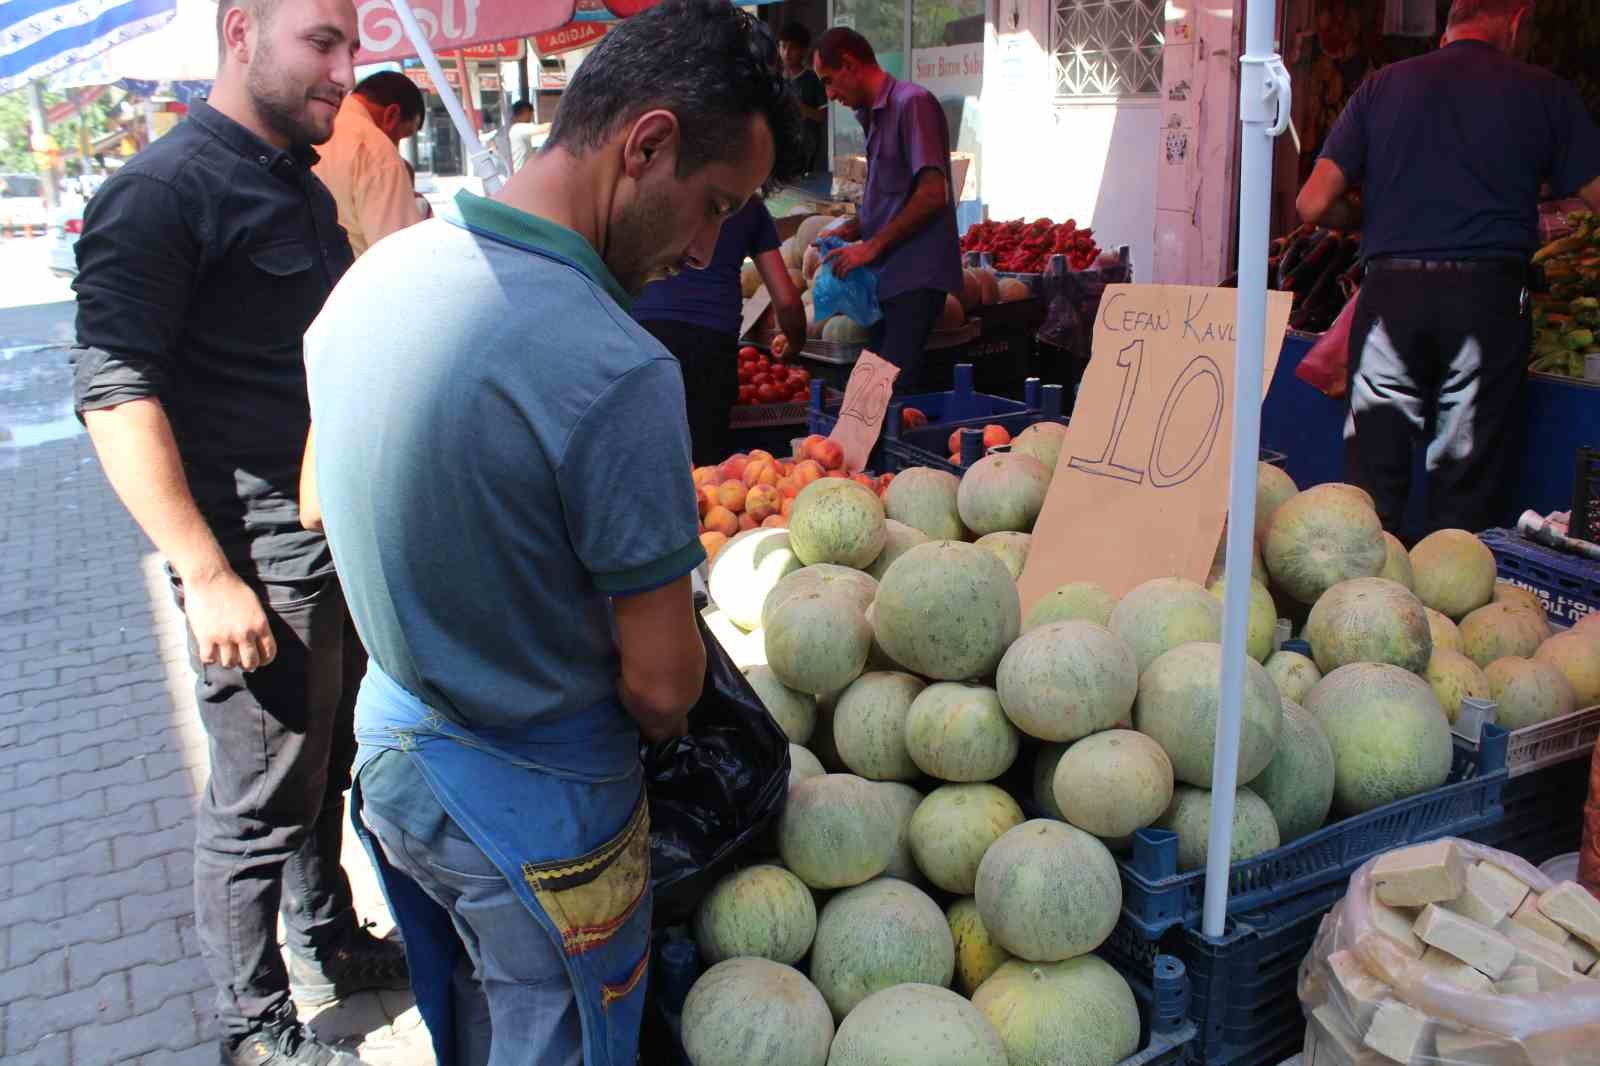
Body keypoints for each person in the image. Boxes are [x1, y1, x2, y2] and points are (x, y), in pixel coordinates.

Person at [301, 1, 805, 1061]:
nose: (708, 248)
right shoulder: (615, 366)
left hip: (395, 763)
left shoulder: (373, 279)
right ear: (648, 143)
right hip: (539, 826)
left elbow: (317, 500)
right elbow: (664, 688)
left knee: (465, 1023)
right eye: (713, 206)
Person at [70, 0, 410, 1062]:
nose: (344, 69)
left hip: (325, 544)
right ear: (240, 33)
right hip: (253, 567)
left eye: (352, 46)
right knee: (258, 801)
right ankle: (253, 1026)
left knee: (322, 766)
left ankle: (328, 942)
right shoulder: (161, 193)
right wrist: (206, 572)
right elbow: (116, 395)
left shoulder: (293, 185)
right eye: (322, 41)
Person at [1296, 0, 1600, 537]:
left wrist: (1364, 219)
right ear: (1516, 20)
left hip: (1391, 299)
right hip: (1485, 304)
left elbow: (1314, 204)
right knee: (1465, 487)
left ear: (1449, 23)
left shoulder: (1381, 86)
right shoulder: (1544, 91)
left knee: (1372, 491)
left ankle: (1360, 604)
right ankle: (1449, 607)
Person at [812, 27, 962, 392]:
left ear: (849, 64)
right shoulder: (875, 116)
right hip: (887, 279)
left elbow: (931, 194)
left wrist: (872, 245)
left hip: (915, 275)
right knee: (876, 388)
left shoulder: (913, 103)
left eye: (829, 81)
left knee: (890, 391)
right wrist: (851, 230)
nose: (830, 95)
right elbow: (894, 199)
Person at [633, 196, 807, 463]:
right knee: (704, 469)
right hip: (711, 349)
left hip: (641, 336)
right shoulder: (746, 202)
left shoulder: (654, 186)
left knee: (642, 456)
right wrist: (795, 342)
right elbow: (786, 300)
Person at [312, 70, 425, 258]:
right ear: (392, 115)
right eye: (401, 136)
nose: (396, 147)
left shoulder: (315, 125)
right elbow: (400, 256)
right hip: (360, 280)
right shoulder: (377, 151)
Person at [779, 21, 828, 176]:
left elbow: (822, 116)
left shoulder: (813, 79)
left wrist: (800, 108)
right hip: (780, 150)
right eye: (783, 46)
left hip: (807, 152)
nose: (786, 52)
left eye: (792, 47)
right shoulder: (775, 81)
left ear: (803, 50)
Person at [507, 99, 540, 171]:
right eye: (530, 115)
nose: (530, 119)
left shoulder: (512, 128)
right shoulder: (518, 127)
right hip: (521, 173)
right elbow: (543, 128)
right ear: (525, 112)